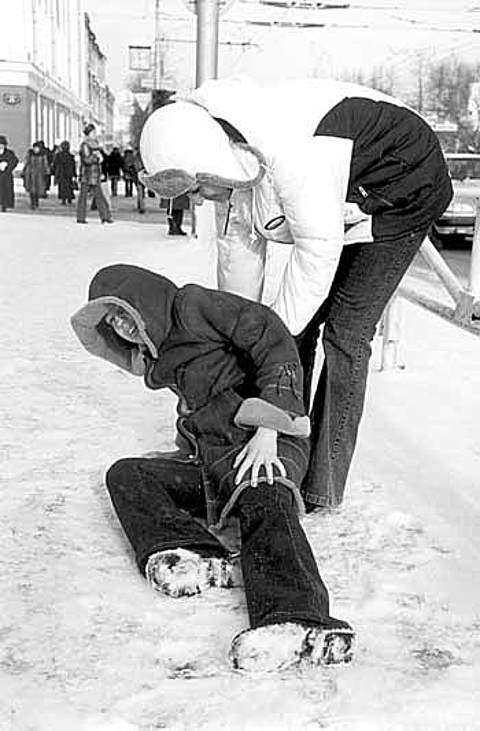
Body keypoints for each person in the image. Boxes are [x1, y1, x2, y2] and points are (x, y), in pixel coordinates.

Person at [138, 76, 453, 511]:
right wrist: (242, 339)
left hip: (404, 188)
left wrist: (272, 354)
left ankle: (321, 485)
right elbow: (239, 260)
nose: (198, 200)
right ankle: (282, 456)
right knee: (287, 333)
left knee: (345, 334)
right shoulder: (230, 159)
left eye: (196, 189)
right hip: (347, 195)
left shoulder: (295, 154)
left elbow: (316, 252)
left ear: (210, 164)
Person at [70, 263, 355, 673]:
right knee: (127, 473)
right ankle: (197, 556)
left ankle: (301, 620)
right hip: (216, 460)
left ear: (142, 298)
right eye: (111, 320)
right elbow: (197, 413)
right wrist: (184, 454)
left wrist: (269, 427)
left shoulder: (193, 305)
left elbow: (271, 337)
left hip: (266, 441)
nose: (120, 324)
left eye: (121, 310)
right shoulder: (162, 359)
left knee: (264, 497)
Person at [76, 123, 113, 224]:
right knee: (83, 197)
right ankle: (81, 217)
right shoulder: (85, 145)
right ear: (89, 134)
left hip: (95, 174)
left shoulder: (96, 144)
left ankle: (105, 217)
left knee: (99, 196)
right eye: (93, 132)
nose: (95, 134)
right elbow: (86, 159)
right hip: (86, 174)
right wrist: (96, 158)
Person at [22, 142, 50, 209]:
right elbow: (26, 163)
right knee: (31, 190)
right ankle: (32, 203)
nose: (36, 149)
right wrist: (24, 171)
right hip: (30, 174)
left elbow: (45, 164)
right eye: (35, 148)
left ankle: (36, 202)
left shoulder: (42, 155)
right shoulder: (30, 154)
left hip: (39, 175)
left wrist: (47, 172)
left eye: (37, 148)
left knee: (38, 189)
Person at [53, 140, 77, 205]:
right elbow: (73, 166)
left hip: (61, 173)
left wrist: (55, 172)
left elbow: (55, 164)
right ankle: (69, 198)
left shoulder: (58, 155)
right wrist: (74, 174)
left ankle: (63, 199)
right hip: (69, 174)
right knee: (69, 186)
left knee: (62, 187)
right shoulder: (70, 156)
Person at [0, 135, 18, 212]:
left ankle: (4, 205)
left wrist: (8, 166)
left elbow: (14, 161)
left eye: (2, 144)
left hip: (6, 175)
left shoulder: (9, 153)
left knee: (5, 191)